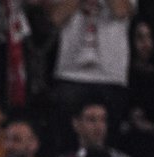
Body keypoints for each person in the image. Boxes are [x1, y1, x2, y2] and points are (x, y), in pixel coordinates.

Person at [48, 0, 136, 147]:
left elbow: (121, 11)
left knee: (108, 143)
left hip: (110, 75)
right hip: (71, 73)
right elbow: (56, 17)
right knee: (67, 142)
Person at [121, 19, 154, 157]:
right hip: (132, 133)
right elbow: (131, 116)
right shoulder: (124, 74)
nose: (146, 44)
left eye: (149, 37)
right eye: (140, 37)